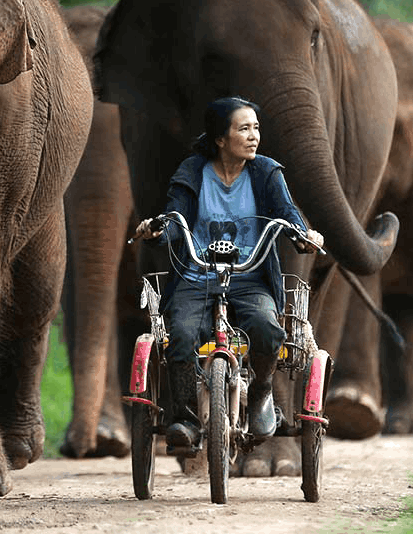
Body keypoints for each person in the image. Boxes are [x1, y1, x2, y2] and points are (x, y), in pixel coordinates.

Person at [132, 96, 324, 448]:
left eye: (256, 128)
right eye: (243, 129)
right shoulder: (192, 172)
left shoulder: (266, 172)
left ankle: (263, 394)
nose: (253, 136)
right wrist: (159, 230)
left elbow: (288, 214)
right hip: (196, 277)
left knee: (268, 329)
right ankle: (185, 419)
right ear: (220, 138)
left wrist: (303, 236)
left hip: (250, 277)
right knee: (181, 337)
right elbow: (175, 218)